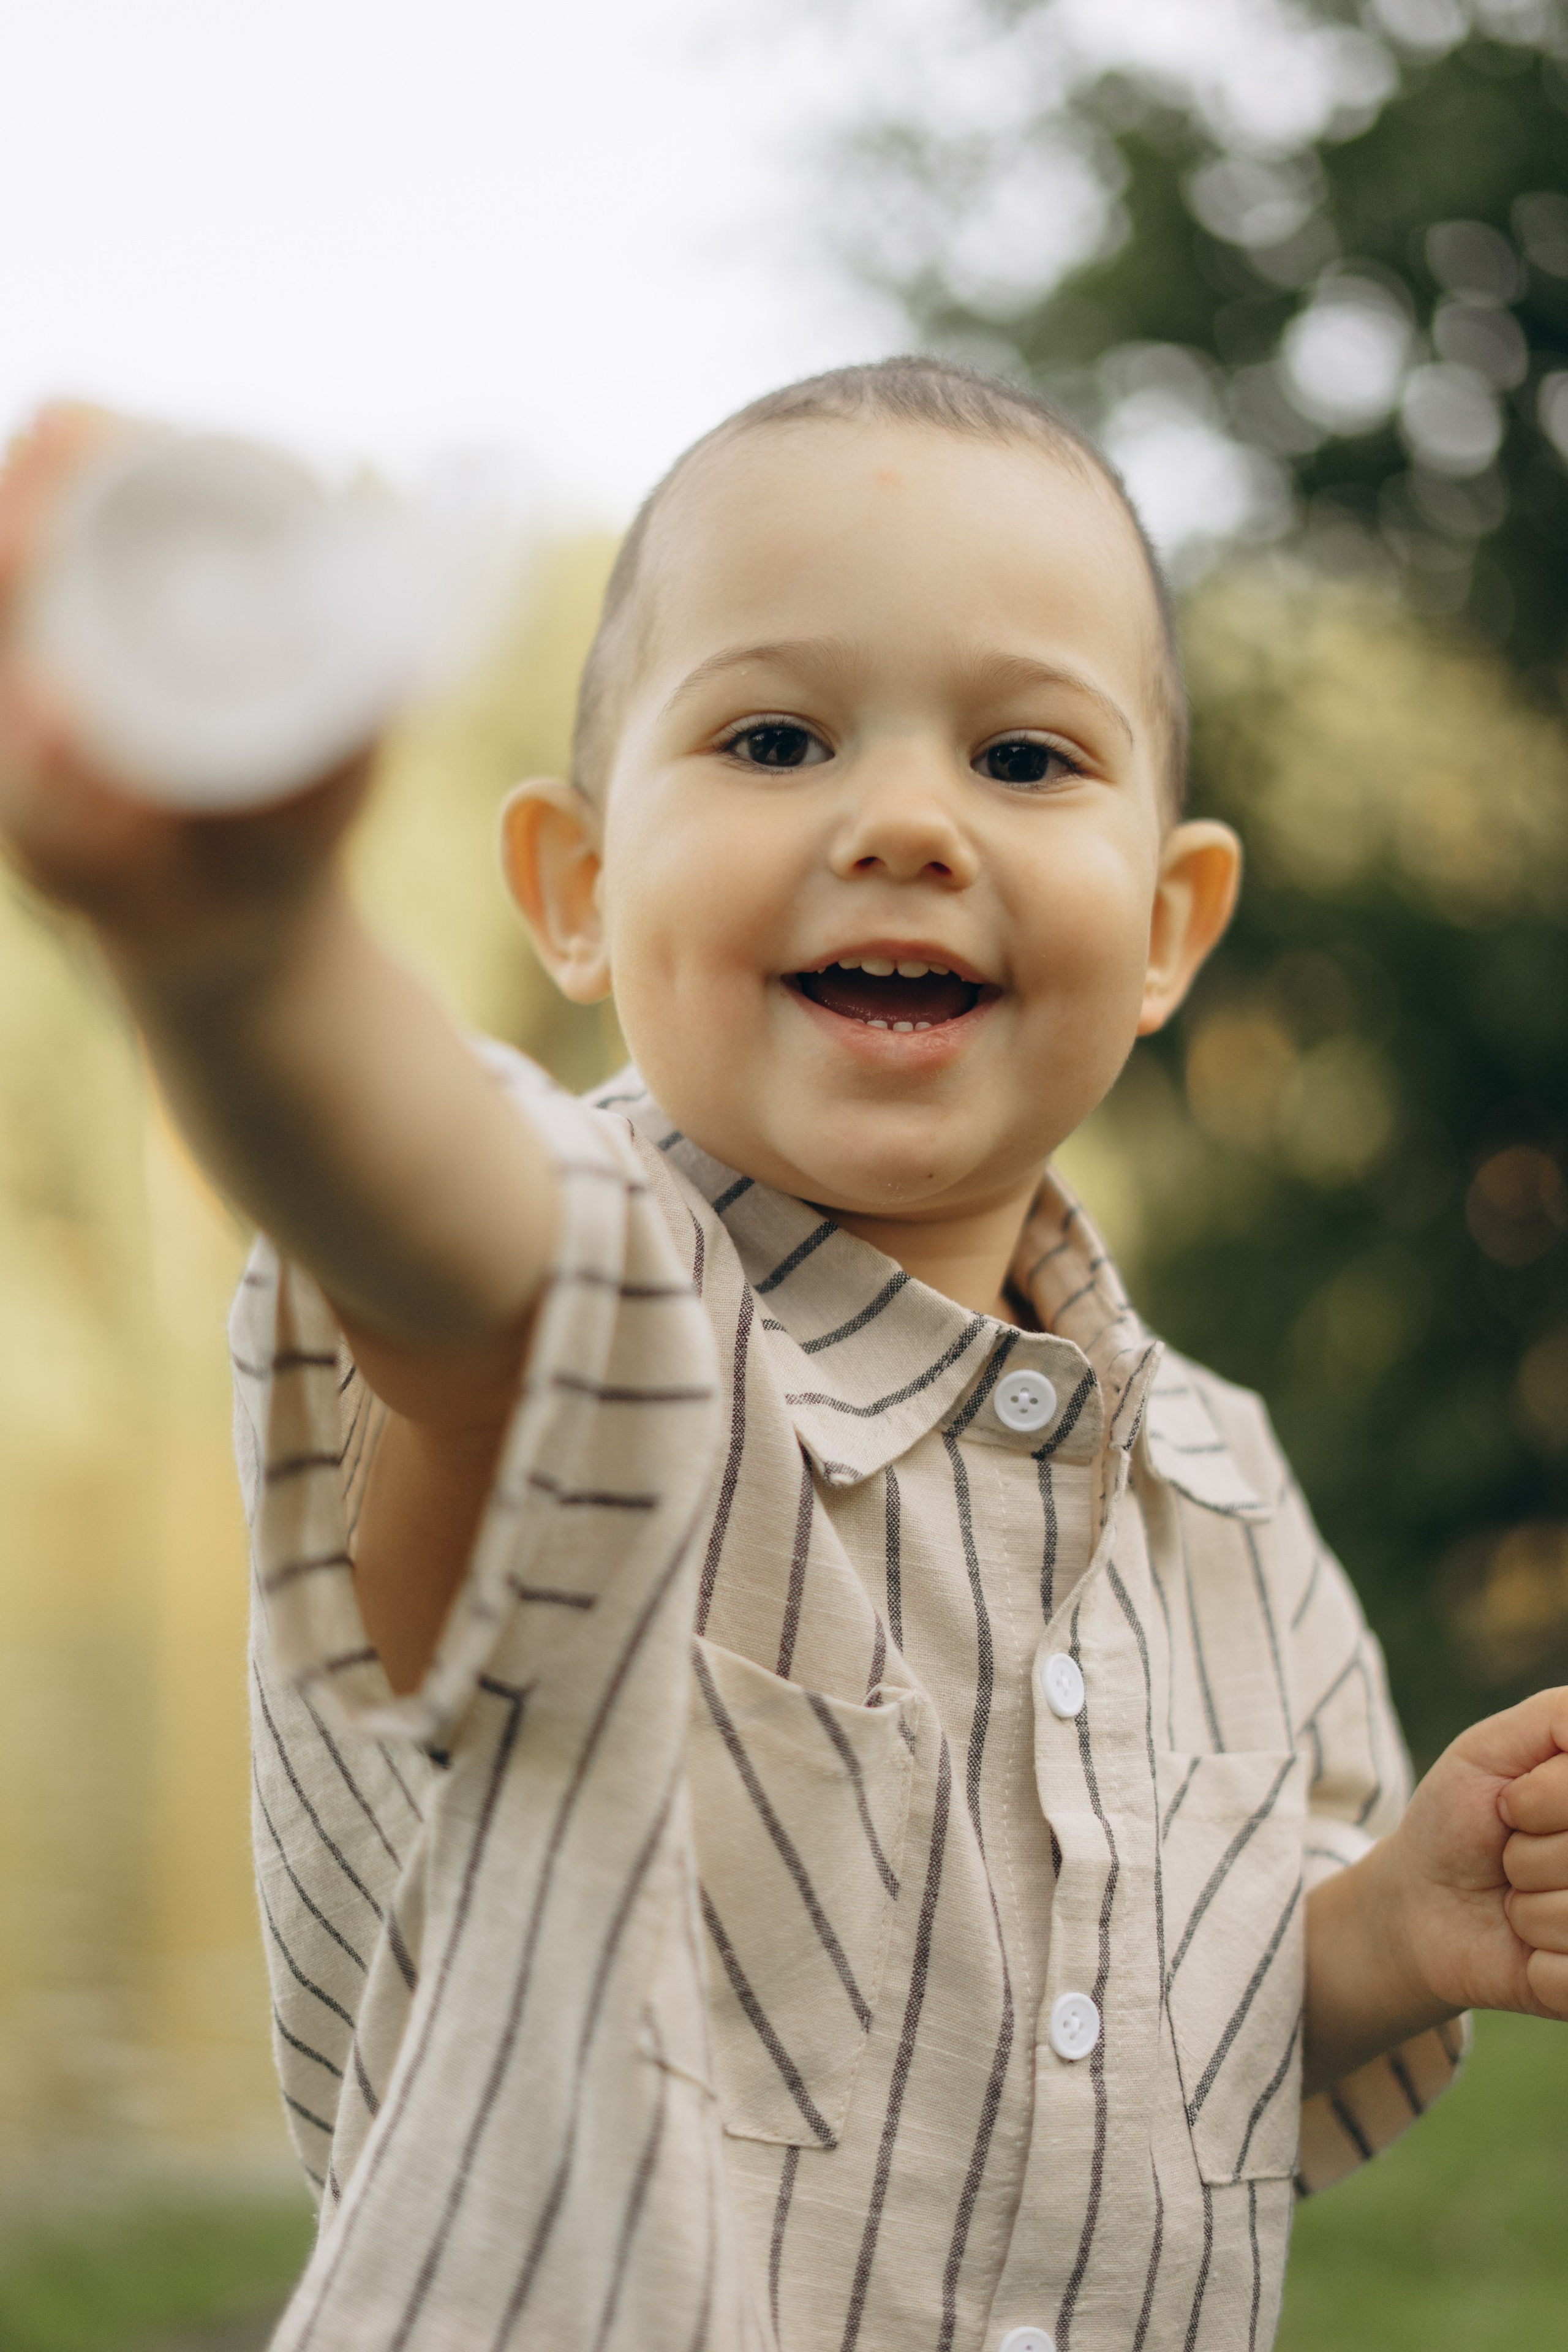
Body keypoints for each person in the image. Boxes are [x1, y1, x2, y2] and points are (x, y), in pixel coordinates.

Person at [0, 361, 1565, 2352]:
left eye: (1024, 758)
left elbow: (1179, 2031)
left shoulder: (1225, 1492)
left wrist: (1386, 1930)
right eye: (773, 734)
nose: (906, 818)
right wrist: (245, 956)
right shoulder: (605, 1299)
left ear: (1170, 928)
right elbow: (431, 1233)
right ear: (577, 890)